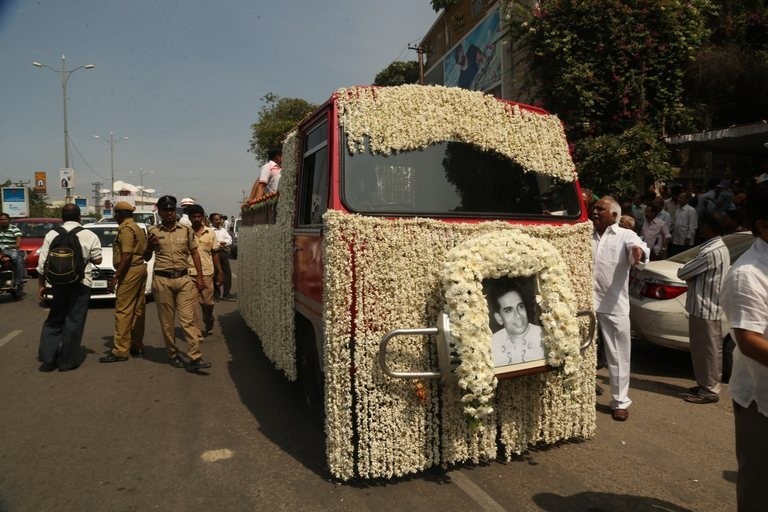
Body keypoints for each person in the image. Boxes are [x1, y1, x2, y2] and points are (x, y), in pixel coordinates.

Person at [720, 182, 768, 510]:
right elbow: (750, 342)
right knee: (759, 489)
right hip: (761, 402)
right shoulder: (747, 275)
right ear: (765, 226)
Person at [592, 196, 649, 421]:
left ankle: (619, 402)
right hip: (586, 304)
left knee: (618, 356)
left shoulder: (626, 235)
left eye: (600, 209)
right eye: (594, 208)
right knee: (582, 352)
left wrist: (638, 253)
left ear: (614, 215)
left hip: (613, 305)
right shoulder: (585, 233)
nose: (595, 212)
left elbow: (639, 247)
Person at [144, 195, 211, 371]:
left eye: (172, 210)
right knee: (167, 322)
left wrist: (200, 277)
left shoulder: (186, 230)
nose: (169, 213)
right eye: (165, 210)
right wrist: (149, 247)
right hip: (162, 280)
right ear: (159, 212)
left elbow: (195, 253)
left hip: (183, 280)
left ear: (176, 211)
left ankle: (195, 357)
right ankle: (172, 354)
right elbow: (145, 257)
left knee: (188, 320)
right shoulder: (152, 231)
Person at [37, 204, 102, 372]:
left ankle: (48, 358)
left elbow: (42, 264)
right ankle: (66, 362)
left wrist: (41, 285)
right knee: (74, 320)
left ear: (62, 217)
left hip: (57, 283)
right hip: (81, 284)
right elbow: (98, 260)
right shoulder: (89, 234)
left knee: (54, 318)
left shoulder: (52, 234)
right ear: (80, 217)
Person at [676, 211, 730, 404]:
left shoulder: (711, 251)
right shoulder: (715, 248)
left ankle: (709, 390)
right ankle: (704, 384)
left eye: (702, 225)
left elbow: (683, 272)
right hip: (703, 307)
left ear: (708, 228)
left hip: (707, 308)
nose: (699, 228)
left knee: (708, 350)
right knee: (702, 349)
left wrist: (687, 270)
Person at [99, 201, 148, 363]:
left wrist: (116, 277)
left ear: (119, 215)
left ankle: (120, 350)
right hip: (139, 268)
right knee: (138, 310)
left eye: (116, 214)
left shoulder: (126, 229)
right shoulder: (138, 228)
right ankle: (137, 345)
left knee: (123, 310)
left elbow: (126, 254)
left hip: (130, 271)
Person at [489, 277, 544, 366]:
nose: (518, 315)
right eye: (508, 310)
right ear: (499, 318)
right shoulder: (491, 344)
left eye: (520, 306)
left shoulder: (543, 336)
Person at [187, 204, 222, 337]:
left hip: (207, 273)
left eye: (199, 216)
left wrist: (220, 272)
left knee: (207, 303)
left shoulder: (210, 233)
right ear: (190, 218)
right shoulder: (186, 232)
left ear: (202, 217)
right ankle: (196, 332)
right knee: (193, 306)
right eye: (194, 217)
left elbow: (215, 253)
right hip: (190, 273)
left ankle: (209, 319)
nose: (196, 219)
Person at [0, 212, 25, 296]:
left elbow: (17, 244)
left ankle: (18, 282)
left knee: (17, 259)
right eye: (1, 219)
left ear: (9, 220)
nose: (3, 221)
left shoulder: (14, 229)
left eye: (5, 219)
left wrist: (9, 246)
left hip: (11, 250)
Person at [209, 212, 233, 301]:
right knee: (215, 273)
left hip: (223, 253)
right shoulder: (209, 231)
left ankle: (226, 293)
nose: (219, 221)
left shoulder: (223, 230)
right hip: (214, 253)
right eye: (216, 220)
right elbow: (210, 242)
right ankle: (216, 294)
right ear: (211, 221)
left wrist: (225, 242)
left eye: (219, 219)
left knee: (227, 273)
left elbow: (230, 239)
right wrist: (219, 243)